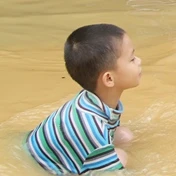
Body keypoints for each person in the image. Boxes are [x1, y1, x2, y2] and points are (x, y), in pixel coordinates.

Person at [26, 24, 142, 174]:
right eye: (132, 59)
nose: (139, 61)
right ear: (108, 78)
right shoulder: (92, 129)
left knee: (124, 135)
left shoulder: (92, 100)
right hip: (44, 164)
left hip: (43, 147)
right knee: (122, 158)